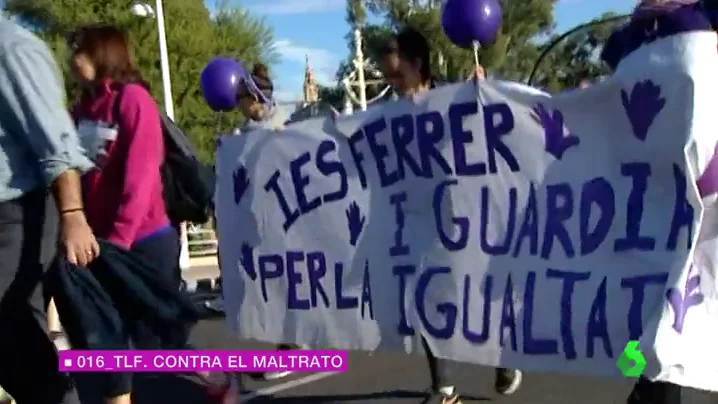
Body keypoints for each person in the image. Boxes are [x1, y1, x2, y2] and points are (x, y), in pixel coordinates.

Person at [67, 24, 238, 404]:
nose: (72, 59)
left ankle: (216, 377)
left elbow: (140, 178)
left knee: (158, 341)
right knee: (111, 341)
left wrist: (121, 241)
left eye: (79, 49)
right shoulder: (78, 111)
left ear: (103, 53)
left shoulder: (132, 101)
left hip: (143, 243)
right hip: (100, 247)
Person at [378, 27, 524, 403]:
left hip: (466, 218)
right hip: (419, 224)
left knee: (476, 294)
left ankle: (503, 356)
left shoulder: (456, 100)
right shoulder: (388, 117)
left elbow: (495, 135)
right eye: (388, 78)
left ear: (418, 65)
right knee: (427, 300)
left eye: (399, 75)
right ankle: (445, 388)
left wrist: (482, 92)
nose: (394, 85)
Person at [0, 16, 99, 404]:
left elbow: (57, 142)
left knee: (15, 340)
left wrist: (73, 215)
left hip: (17, 215)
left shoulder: (12, 49)